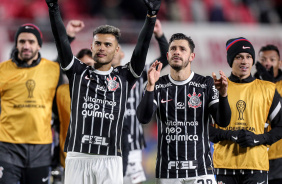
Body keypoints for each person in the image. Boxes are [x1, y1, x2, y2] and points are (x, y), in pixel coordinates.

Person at [45, 0, 161, 183]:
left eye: (108, 45)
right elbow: (61, 41)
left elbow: (141, 50)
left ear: (116, 50)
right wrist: (54, 9)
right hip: (77, 157)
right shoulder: (78, 73)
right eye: (98, 43)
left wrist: (151, 18)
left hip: (110, 159)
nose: (102, 48)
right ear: (91, 47)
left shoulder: (123, 77)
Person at [136, 33, 231, 183]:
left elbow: (223, 121)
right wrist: (150, 86)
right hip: (168, 172)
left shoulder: (205, 84)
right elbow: (143, 118)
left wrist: (224, 95)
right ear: (167, 55)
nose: (177, 52)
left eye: (182, 49)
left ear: (191, 56)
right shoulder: (158, 85)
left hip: (201, 170)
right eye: (173, 48)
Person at [209, 38, 282, 184]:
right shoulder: (216, 87)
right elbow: (204, 129)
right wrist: (230, 135)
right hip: (224, 166)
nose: (245, 61)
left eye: (249, 57)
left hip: (256, 167)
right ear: (230, 61)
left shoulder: (268, 89)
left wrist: (259, 139)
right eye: (239, 57)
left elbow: (280, 126)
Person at [0, 23, 60, 184]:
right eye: (22, 41)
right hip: (8, 146)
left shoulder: (53, 69)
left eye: (31, 42)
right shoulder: (2, 70)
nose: (26, 46)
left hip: (41, 147)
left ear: (39, 45)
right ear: (16, 44)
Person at [111, 19, 169, 184]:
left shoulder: (139, 74)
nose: (114, 51)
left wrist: (160, 35)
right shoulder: (101, 78)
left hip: (134, 148)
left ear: (122, 55)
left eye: (117, 48)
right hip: (109, 148)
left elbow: (165, 58)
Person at [254, 44, 282, 184]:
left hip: (280, 156)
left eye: (272, 59)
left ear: (280, 63)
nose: (267, 63)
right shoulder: (250, 85)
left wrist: (269, 84)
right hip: (256, 155)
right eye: (263, 59)